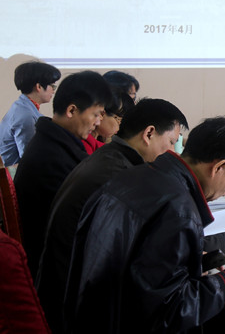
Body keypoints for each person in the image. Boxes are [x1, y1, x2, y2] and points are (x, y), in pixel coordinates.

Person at [64, 117, 225, 334]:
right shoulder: (178, 210)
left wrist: (191, 260)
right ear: (220, 167)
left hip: (90, 313)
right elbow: (167, 312)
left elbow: (142, 261)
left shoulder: (135, 174)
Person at [37, 98, 190, 333]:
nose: (172, 152)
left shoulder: (111, 157)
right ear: (149, 133)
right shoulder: (122, 178)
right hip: (73, 304)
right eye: (171, 142)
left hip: (63, 285)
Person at [14, 70, 112, 277]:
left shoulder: (56, 143)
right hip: (54, 268)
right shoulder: (50, 158)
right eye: (95, 114)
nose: (97, 122)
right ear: (72, 110)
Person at [0, 60, 61, 167]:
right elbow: (30, 159)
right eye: (52, 86)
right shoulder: (25, 116)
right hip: (18, 175)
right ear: (38, 87)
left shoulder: (23, 106)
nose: (53, 91)